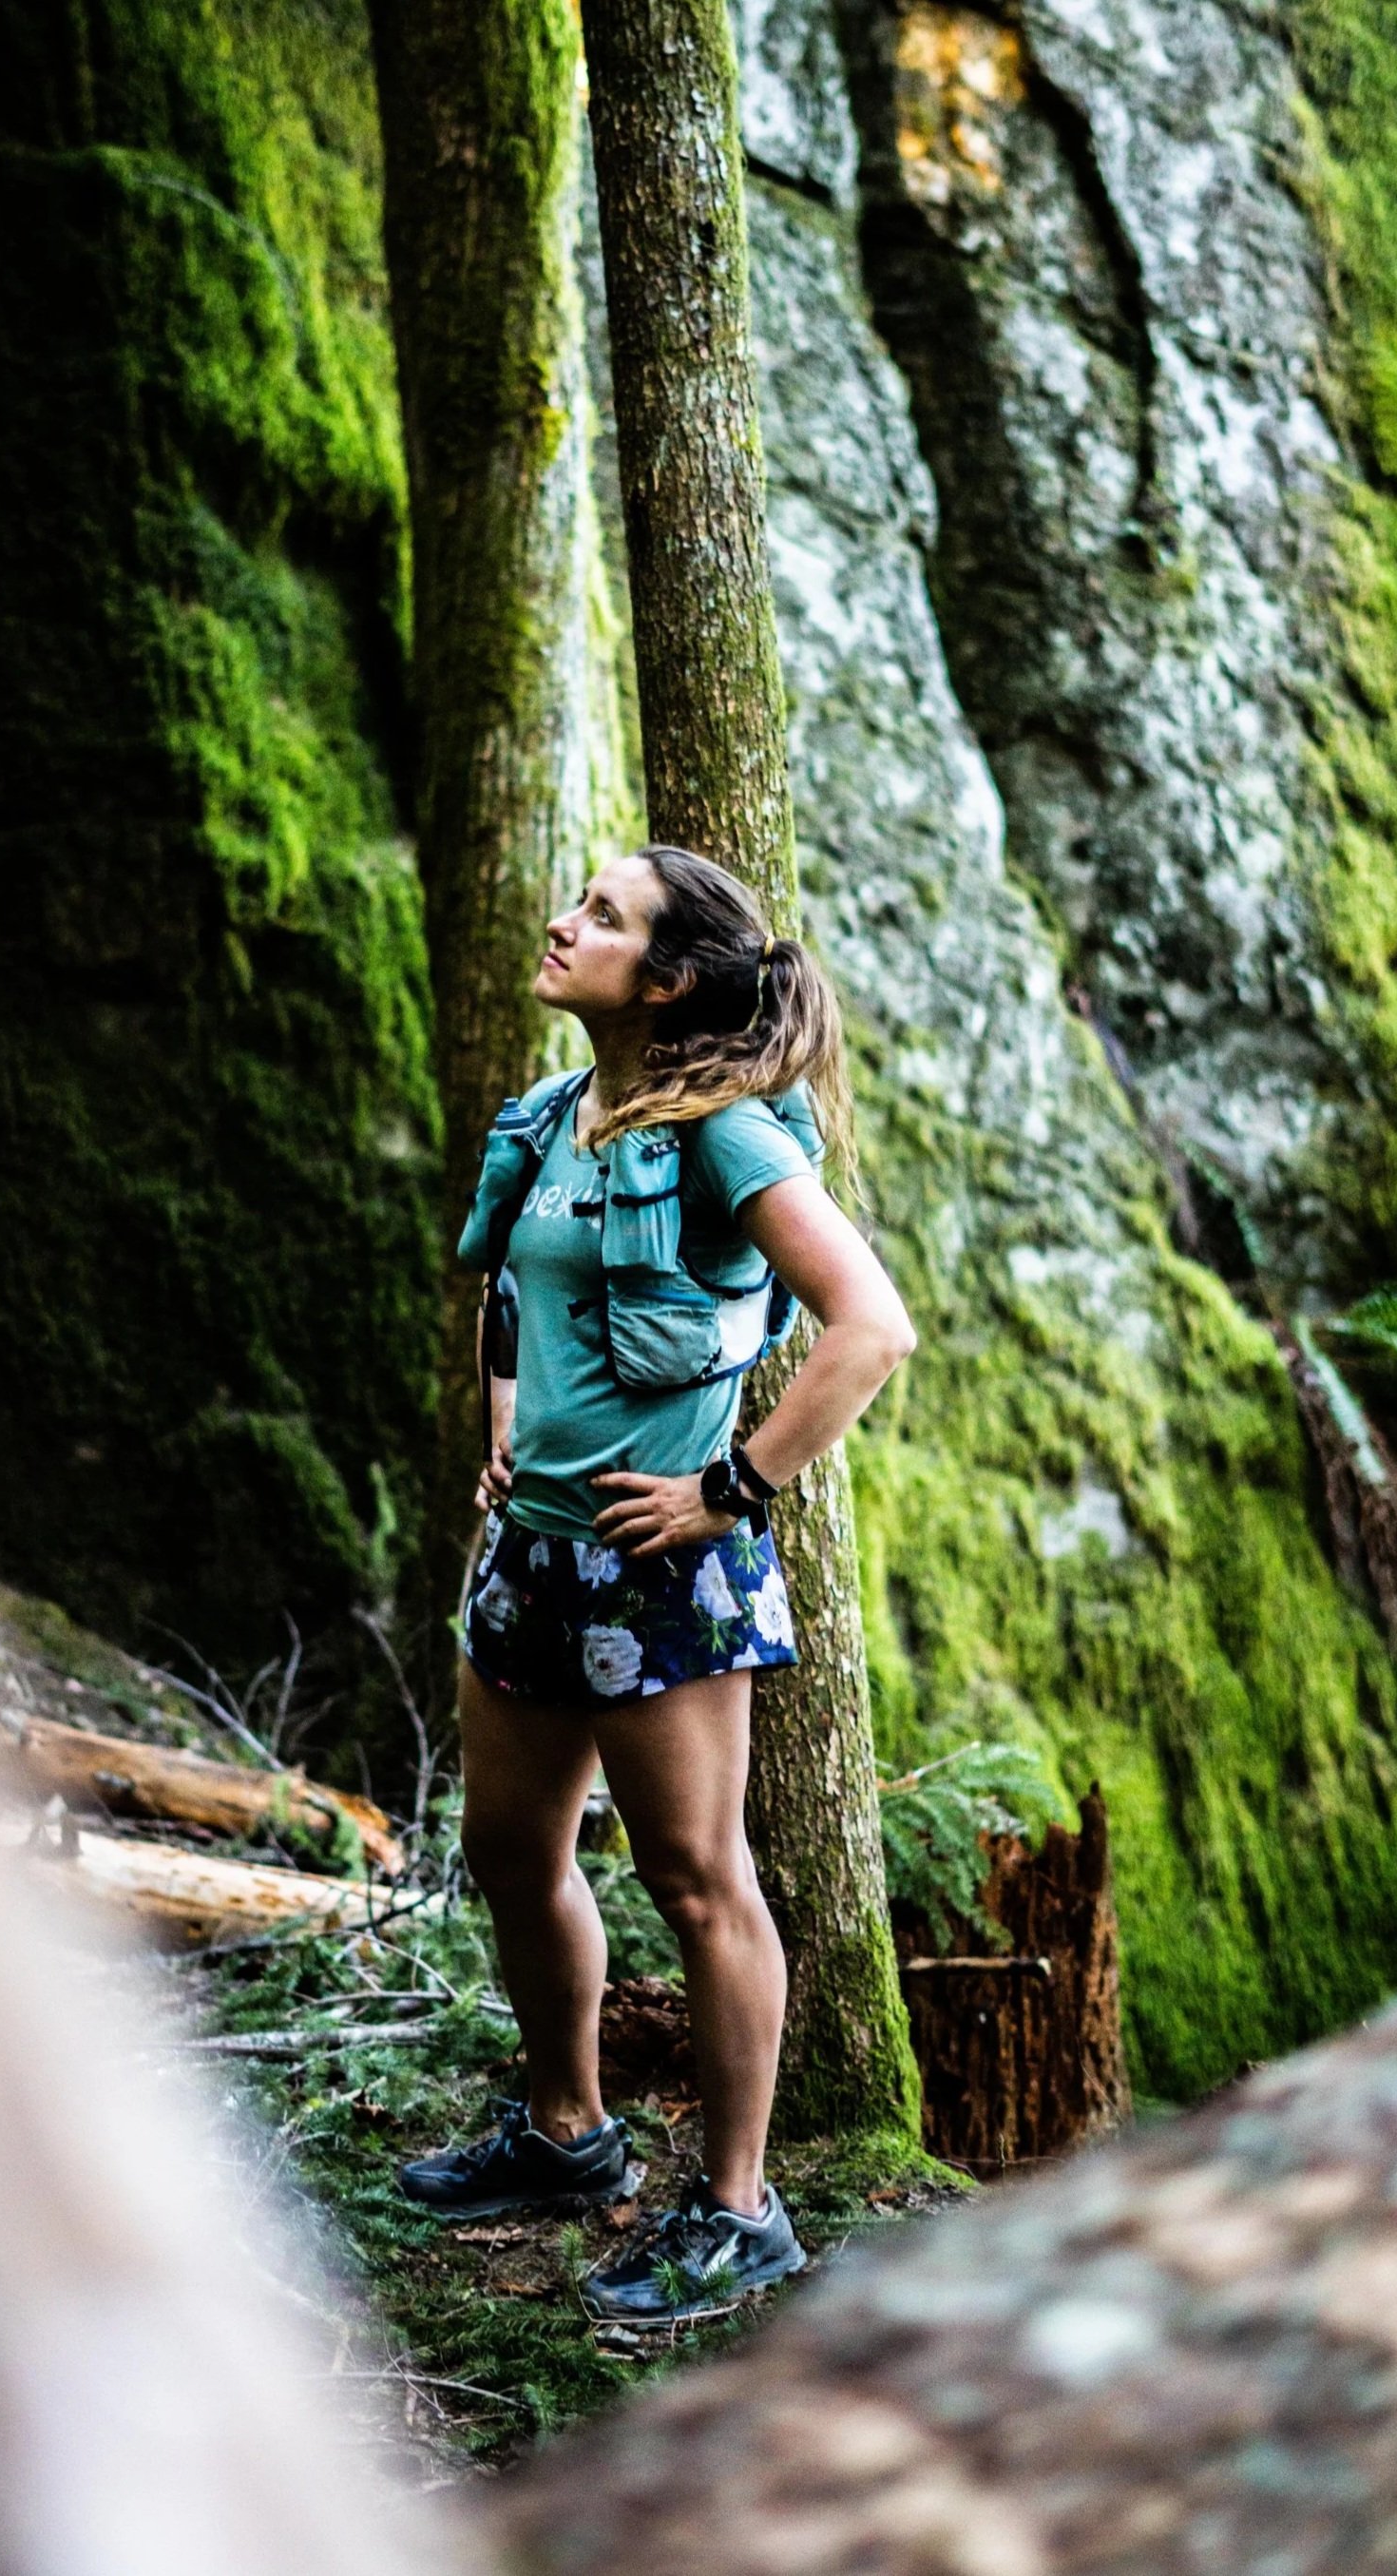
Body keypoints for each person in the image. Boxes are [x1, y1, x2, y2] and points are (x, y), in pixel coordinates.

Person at [397, 843, 916, 2323]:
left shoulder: (727, 1134)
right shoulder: (563, 1113)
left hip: (656, 1575)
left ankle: (740, 2208)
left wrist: (729, 1490)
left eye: (604, 918)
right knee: (511, 1852)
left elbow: (869, 1327)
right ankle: (566, 2131)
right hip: (530, 1559)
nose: (566, 923)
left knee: (698, 1883)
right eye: (581, 902)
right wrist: (506, 1427)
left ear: (670, 978)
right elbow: (514, 1286)